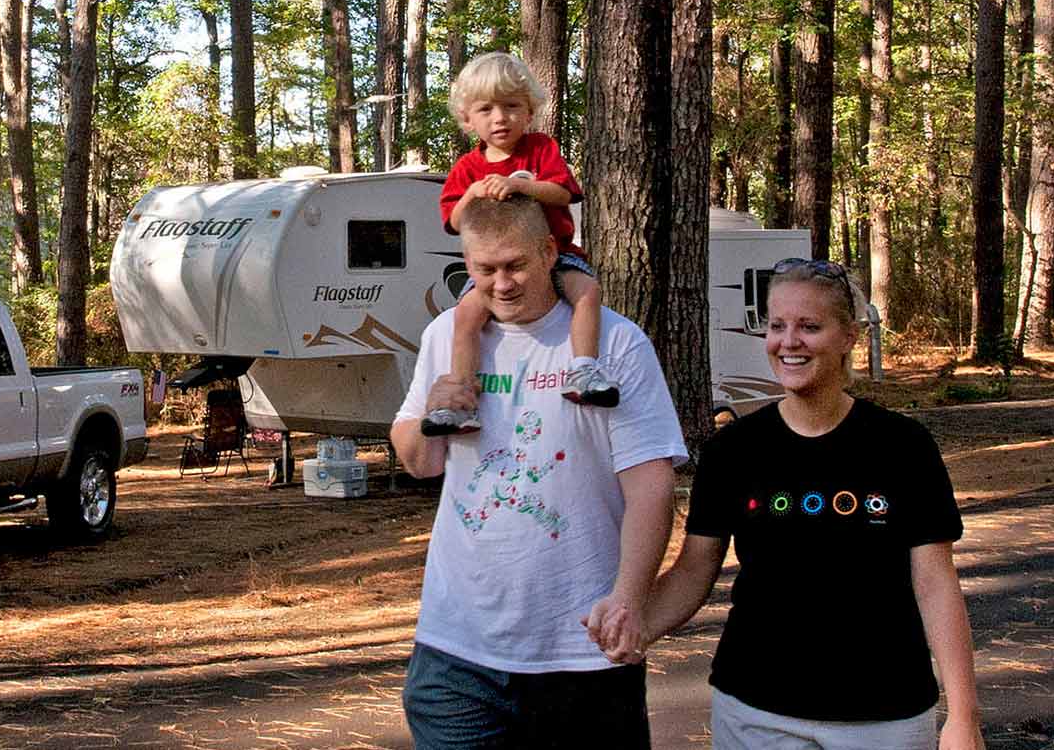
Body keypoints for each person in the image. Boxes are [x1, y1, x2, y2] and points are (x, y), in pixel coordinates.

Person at [611, 258, 984, 750]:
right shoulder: (733, 450)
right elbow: (692, 572)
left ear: (849, 336)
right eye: (777, 326)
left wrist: (963, 714)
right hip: (755, 713)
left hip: (883, 717)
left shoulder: (903, 446)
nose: (789, 342)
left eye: (810, 326)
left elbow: (936, 583)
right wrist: (633, 626)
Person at [390, 195, 690, 748]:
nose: (500, 284)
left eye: (515, 266)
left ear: (550, 252)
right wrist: (432, 412)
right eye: (484, 270)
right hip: (457, 655)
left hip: (582, 651)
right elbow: (420, 462)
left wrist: (629, 597)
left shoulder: (615, 343)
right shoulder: (445, 338)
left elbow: (650, 482)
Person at [424, 52, 618, 437]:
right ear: (468, 119)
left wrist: (520, 184)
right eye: (486, 109)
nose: (500, 118)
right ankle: (461, 395)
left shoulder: (541, 149)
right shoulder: (466, 168)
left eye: (512, 106)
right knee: (464, 316)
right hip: (495, 266)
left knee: (587, 291)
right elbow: (453, 222)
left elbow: (563, 194)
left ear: (529, 111)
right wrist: (473, 195)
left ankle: (583, 369)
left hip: (556, 254)